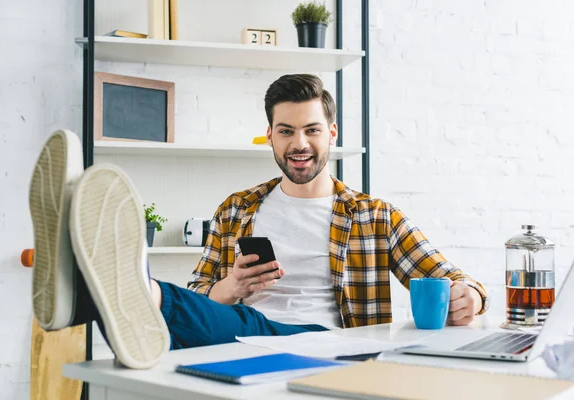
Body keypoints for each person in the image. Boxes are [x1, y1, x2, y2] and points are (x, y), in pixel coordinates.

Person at [28, 75, 487, 371]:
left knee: (211, 319)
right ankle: (96, 297)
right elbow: (199, 299)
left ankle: (93, 294)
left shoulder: (373, 215)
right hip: (231, 343)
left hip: (322, 349)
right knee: (158, 336)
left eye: (310, 130)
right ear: (269, 136)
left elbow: (448, 278)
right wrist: (226, 289)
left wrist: (472, 296)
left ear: (331, 134)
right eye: (286, 131)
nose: (299, 143)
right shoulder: (237, 209)